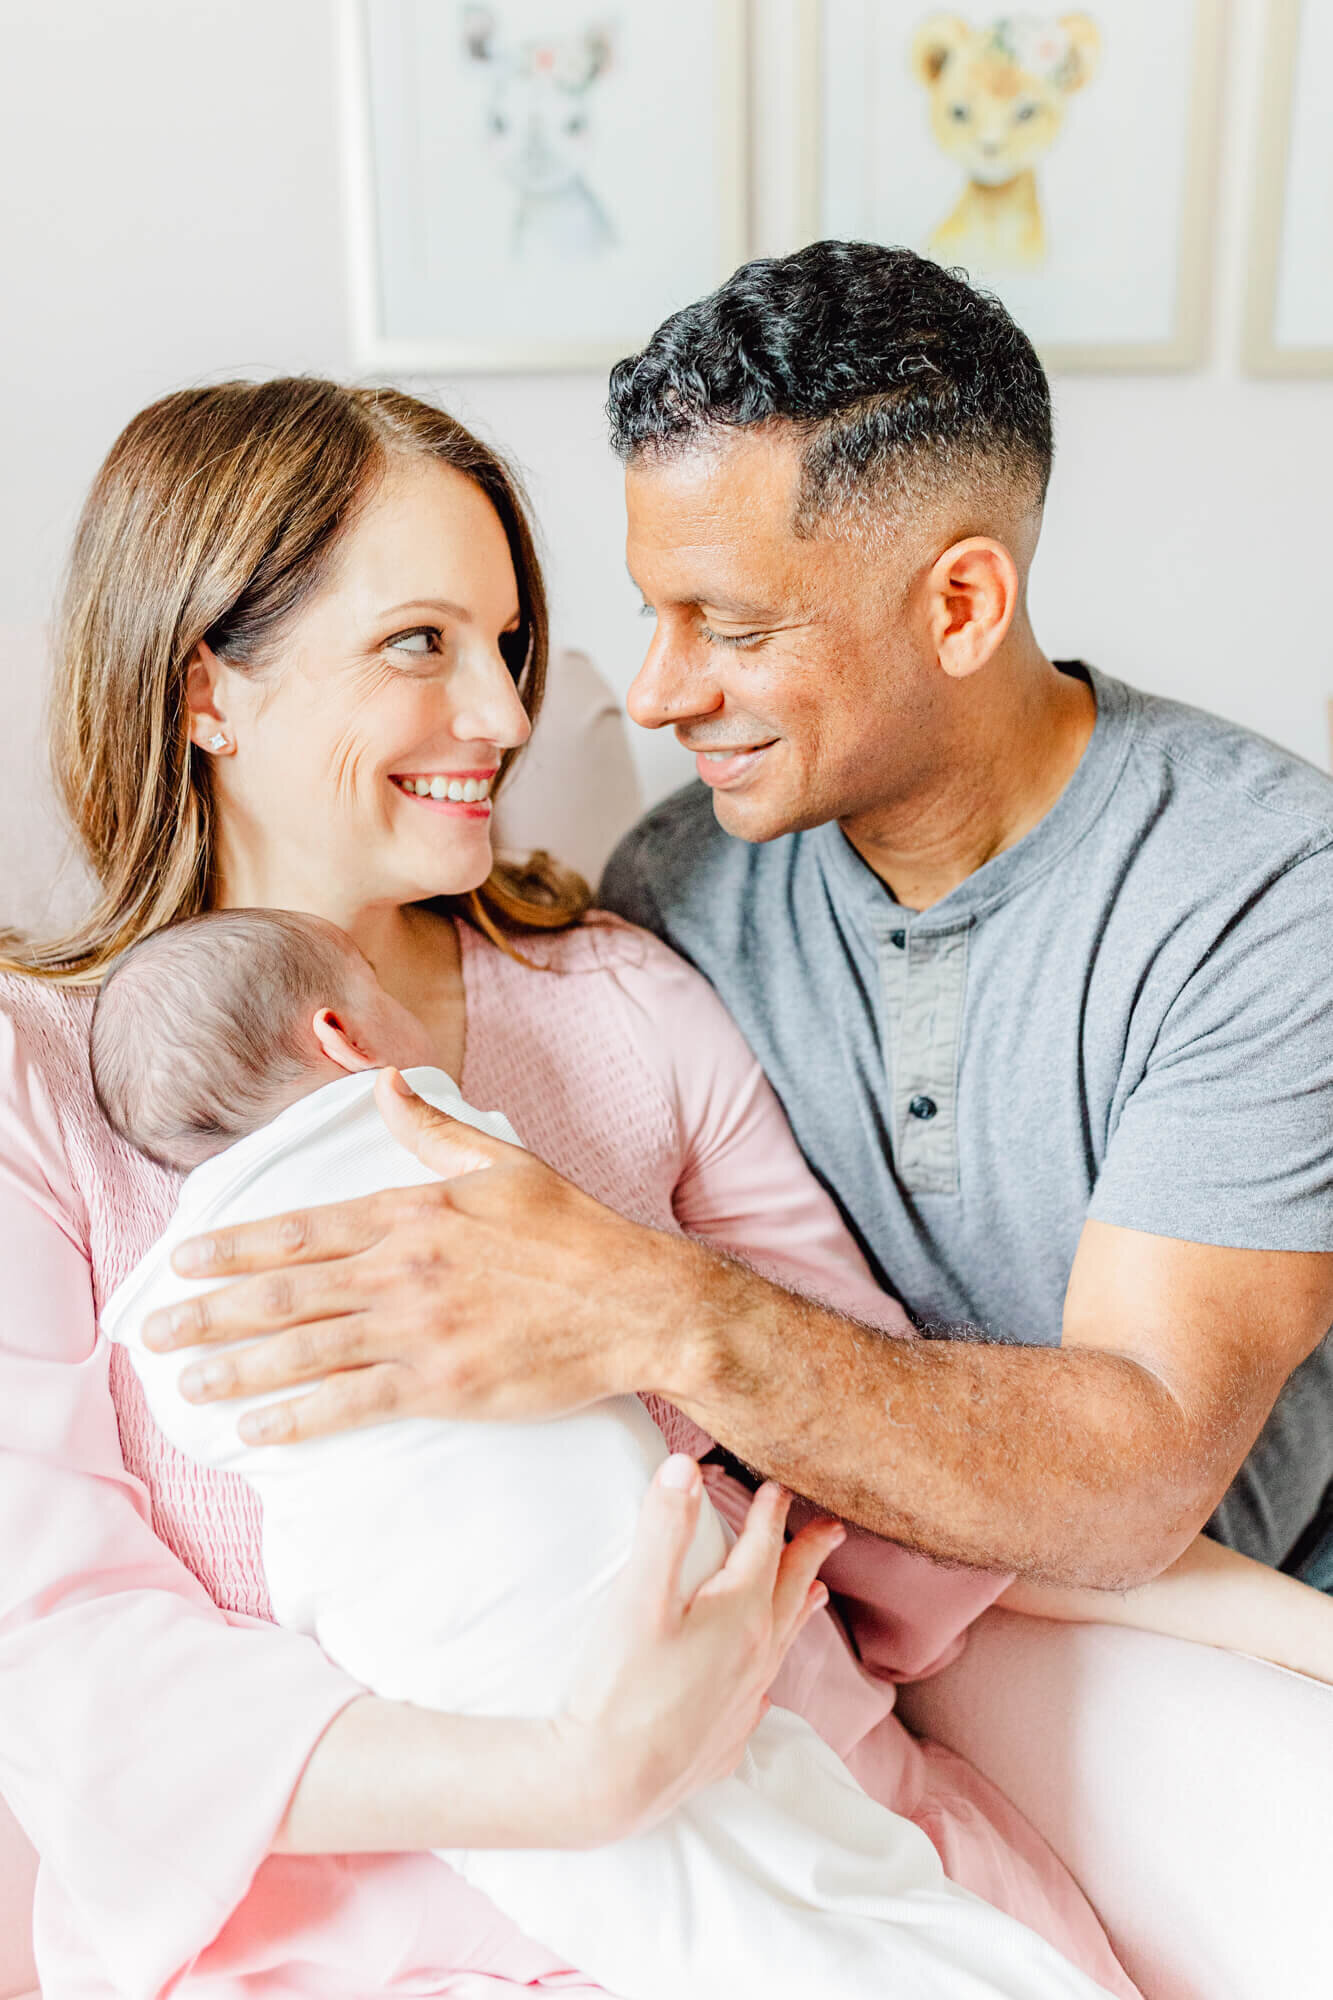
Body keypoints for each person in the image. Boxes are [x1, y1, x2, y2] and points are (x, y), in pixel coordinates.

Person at [0, 378, 1139, 1999]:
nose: (502, 716)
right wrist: (570, 1778)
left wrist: (645, 1310)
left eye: (509, 646)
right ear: (205, 689)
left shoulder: (619, 1004)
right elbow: (57, 1656)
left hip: (802, 1827)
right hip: (355, 1925)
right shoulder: (37, 1090)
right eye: (420, 644)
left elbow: (892, 1483)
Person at [156, 247, 1333, 1602]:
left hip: (1231, 1619)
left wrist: (662, 1313)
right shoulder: (679, 881)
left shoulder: (1267, 891)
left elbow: (1139, 1491)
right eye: (652, 612)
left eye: (727, 625)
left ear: (960, 606)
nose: (651, 696)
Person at [94, 905, 1128, 2000]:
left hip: (443, 1673)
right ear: (346, 1035)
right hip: (628, 1597)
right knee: (830, 1864)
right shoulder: (428, 1123)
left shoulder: (176, 1287)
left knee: (675, 1912)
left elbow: (213, 1419)